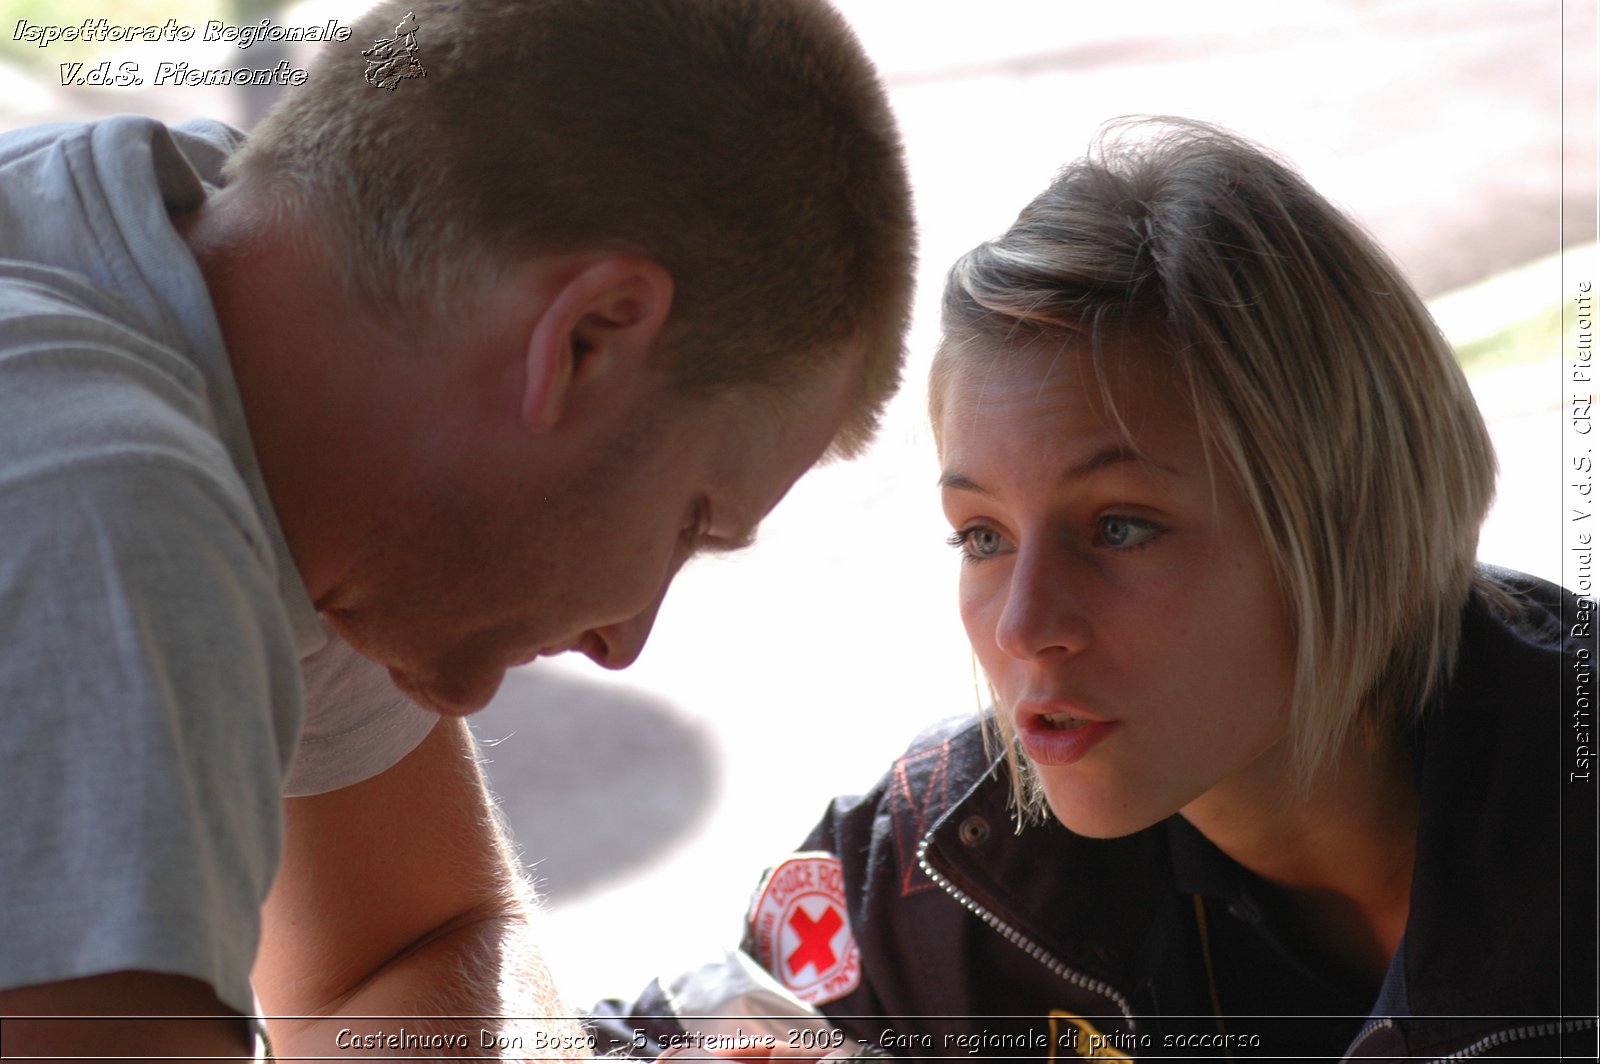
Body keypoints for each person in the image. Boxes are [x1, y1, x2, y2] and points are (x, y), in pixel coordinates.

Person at [0, 0, 913, 1056]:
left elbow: (411, 945)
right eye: (690, 523)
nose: (626, 639)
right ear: (584, 340)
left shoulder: (292, 373)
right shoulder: (97, 504)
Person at [590, 119, 1598, 1060]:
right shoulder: (950, 854)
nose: (1025, 626)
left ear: (1352, 521)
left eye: (1117, 527)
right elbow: (627, 1039)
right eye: (980, 535)